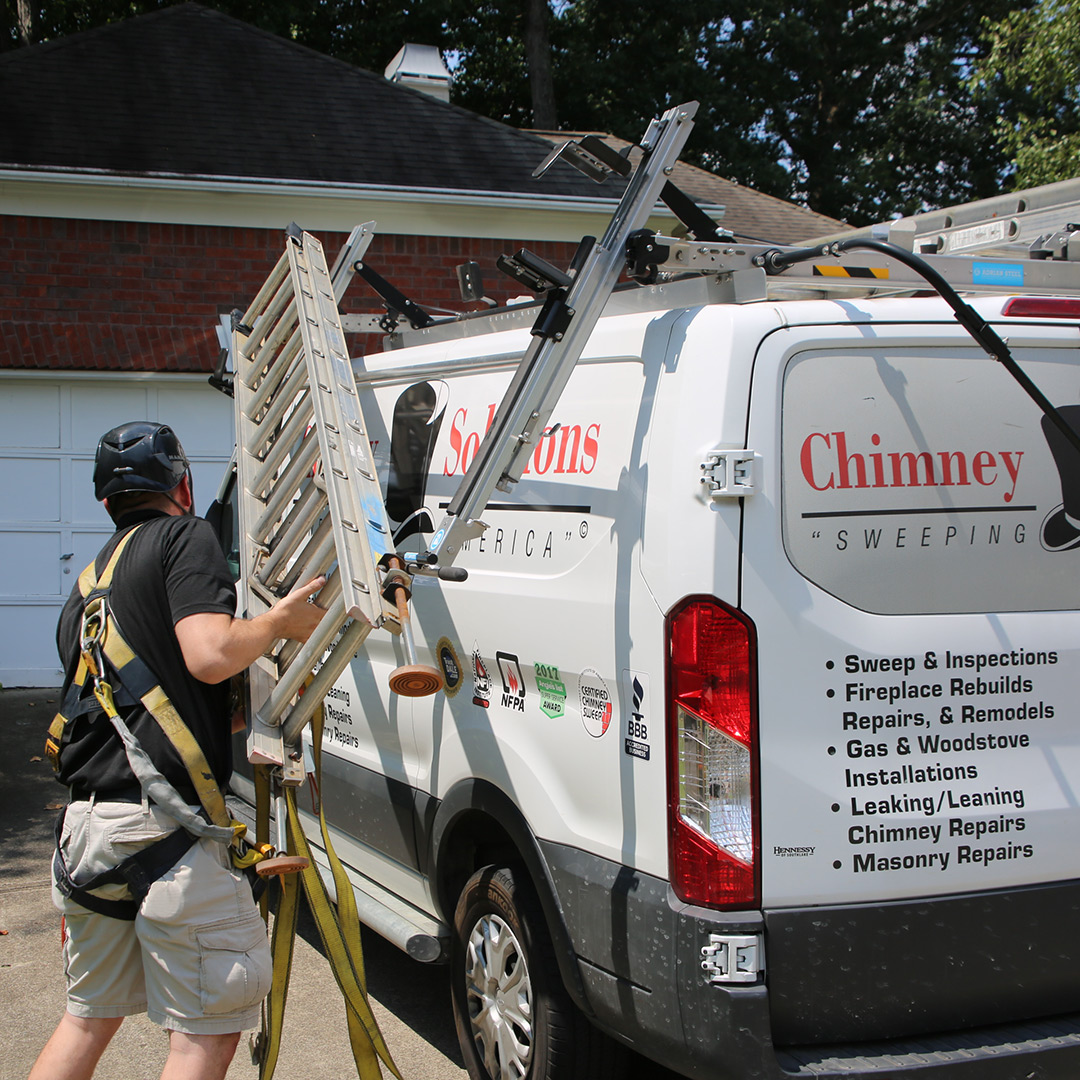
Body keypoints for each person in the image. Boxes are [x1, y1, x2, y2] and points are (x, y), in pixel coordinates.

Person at [30, 421, 325, 1080]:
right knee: (206, 1034)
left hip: (85, 837)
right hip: (163, 835)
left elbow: (144, 705)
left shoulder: (84, 592)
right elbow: (210, 654)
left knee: (87, 1018)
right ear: (182, 485)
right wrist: (282, 623)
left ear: (106, 502)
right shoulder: (184, 537)